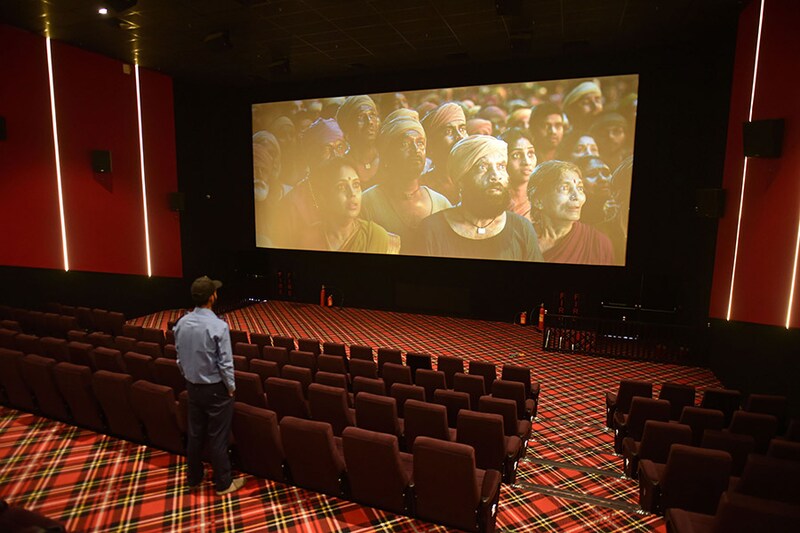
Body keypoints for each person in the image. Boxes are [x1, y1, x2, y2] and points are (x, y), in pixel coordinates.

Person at [418, 135, 543, 262]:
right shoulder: (432, 229)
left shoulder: (521, 228)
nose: (495, 176)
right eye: (482, 167)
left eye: (500, 166)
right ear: (461, 180)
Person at [175, 276, 244, 495]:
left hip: (192, 386)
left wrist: (189, 376)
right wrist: (231, 387)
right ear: (212, 297)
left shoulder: (181, 323)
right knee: (218, 437)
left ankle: (193, 478)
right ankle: (223, 483)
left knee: (195, 435)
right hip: (215, 389)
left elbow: (179, 357)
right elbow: (225, 363)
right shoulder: (218, 326)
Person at [362, 116, 451, 247]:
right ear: (387, 154)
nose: (416, 150)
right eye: (405, 144)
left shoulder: (441, 203)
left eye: (420, 143)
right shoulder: (367, 202)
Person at [271, 118, 348, 249]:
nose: (336, 156)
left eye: (340, 147)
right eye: (327, 149)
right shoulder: (291, 204)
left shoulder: (353, 190)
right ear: (310, 155)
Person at [300, 157, 400, 253]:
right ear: (324, 196)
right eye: (341, 187)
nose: (352, 193)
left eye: (356, 185)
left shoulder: (376, 237)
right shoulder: (308, 238)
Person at [527, 160, 614, 265]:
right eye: (564, 188)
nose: (577, 196)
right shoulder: (521, 239)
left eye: (580, 188)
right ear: (538, 201)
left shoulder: (598, 243)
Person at [420, 102, 468, 204]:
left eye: (462, 129)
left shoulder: (476, 179)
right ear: (432, 142)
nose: (460, 136)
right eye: (448, 132)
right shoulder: (422, 187)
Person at [336, 95, 381, 187]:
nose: (370, 122)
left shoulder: (388, 160)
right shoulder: (340, 167)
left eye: (372, 115)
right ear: (348, 126)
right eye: (361, 117)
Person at [499, 128, 537, 218]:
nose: (527, 162)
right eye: (516, 155)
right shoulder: (494, 201)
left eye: (530, 153)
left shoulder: (542, 201)